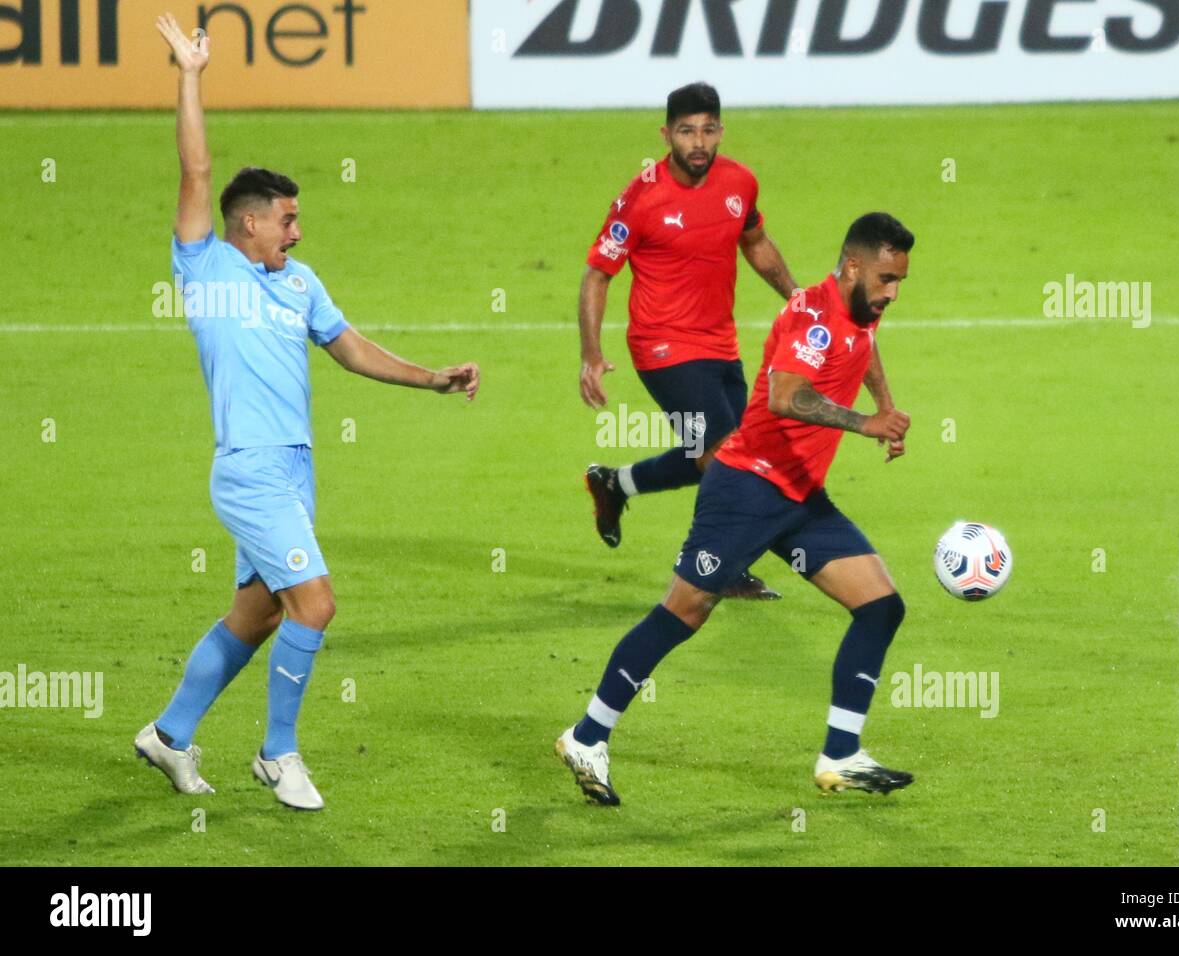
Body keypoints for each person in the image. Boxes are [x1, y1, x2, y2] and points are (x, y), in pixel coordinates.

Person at [134, 13, 479, 810]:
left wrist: (431, 378)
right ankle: (278, 754)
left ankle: (169, 735)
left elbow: (349, 346)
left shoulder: (300, 281)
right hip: (249, 469)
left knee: (254, 619)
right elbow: (195, 171)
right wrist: (190, 75)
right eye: (286, 217)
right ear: (247, 223)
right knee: (315, 603)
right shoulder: (207, 266)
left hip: (295, 469)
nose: (297, 227)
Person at [558, 213, 915, 806]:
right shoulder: (814, 317)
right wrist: (863, 422)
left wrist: (887, 408)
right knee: (684, 613)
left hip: (801, 495)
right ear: (852, 266)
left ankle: (841, 754)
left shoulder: (861, 311)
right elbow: (784, 394)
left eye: (899, 280)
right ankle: (586, 736)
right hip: (746, 489)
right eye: (884, 278)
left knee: (881, 607)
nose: (892, 292)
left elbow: (867, 345)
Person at [580, 82, 798, 600]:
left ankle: (616, 485)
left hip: (720, 343)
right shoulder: (641, 198)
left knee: (732, 453)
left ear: (720, 130)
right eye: (685, 131)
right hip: (662, 347)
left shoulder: (740, 182)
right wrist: (591, 354)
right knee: (724, 454)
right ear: (666, 134)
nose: (697, 142)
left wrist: (794, 296)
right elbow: (597, 274)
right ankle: (712, 564)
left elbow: (756, 241)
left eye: (706, 130)